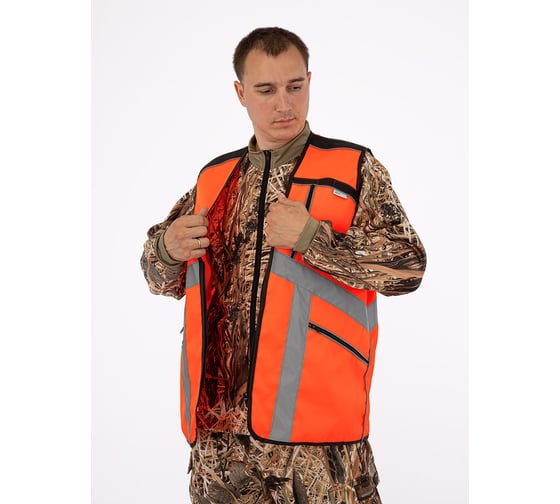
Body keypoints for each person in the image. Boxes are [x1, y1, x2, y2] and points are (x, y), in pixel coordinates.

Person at [141, 26, 426, 504]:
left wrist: (314, 239)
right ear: (240, 94)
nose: (284, 104)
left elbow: (409, 268)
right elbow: (157, 275)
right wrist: (167, 248)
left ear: (310, 81)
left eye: (295, 86)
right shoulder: (215, 179)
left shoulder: (353, 169)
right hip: (220, 448)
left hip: (319, 449)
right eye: (266, 90)